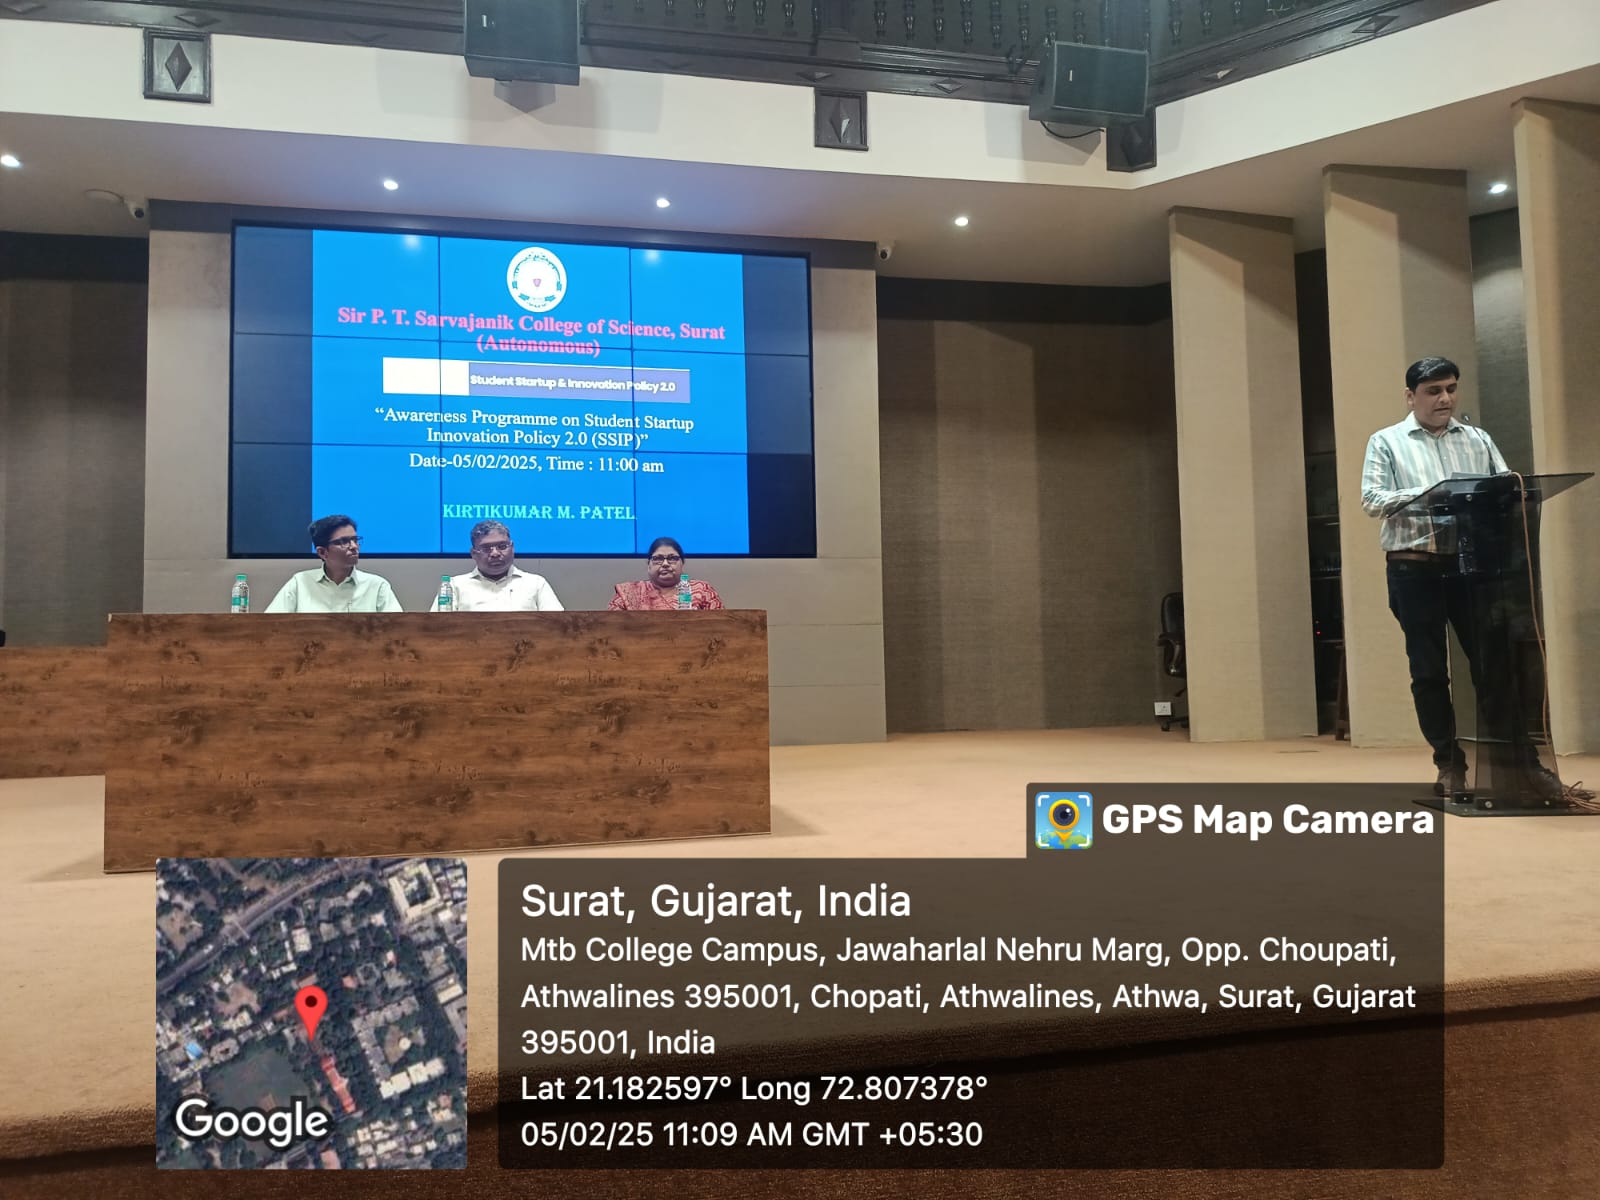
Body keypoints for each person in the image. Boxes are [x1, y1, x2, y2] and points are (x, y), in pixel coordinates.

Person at [1360, 356, 1522, 797]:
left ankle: (1518, 764)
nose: (1445, 398)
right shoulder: (1387, 441)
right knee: (1429, 672)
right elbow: (1372, 499)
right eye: (1433, 391)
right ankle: (1449, 765)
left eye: (1451, 388)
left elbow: (1505, 486)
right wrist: (1435, 494)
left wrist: (1501, 494)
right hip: (1415, 569)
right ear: (1410, 396)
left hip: (1472, 568)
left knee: (1494, 666)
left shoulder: (1478, 439)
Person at [264, 515, 402, 613]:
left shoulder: (377, 586)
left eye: (355, 540)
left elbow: (399, 630)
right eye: (344, 542)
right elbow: (270, 626)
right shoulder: (300, 583)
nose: (354, 546)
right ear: (322, 552)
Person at [431, 521, 562, 611]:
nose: (495, 553)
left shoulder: (536, 583)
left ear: (512, 548)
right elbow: (436, 628)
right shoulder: (454, 586)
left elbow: (559, 625)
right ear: (473, 553)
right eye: (486, 548)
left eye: (502, 546)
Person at [608, 537, 724, 611]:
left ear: (682, 563)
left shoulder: (701, 590)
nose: (665, 564)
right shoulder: (629, 593)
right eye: (658, 559)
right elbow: (610, 625)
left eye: (672, 558)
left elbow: (722, 625)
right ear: (649, 564)